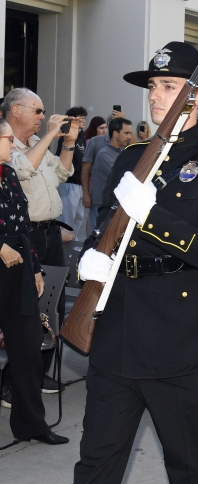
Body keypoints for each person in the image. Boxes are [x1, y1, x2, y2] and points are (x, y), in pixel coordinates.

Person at [56, 41, 198, 484]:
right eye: (152, 86)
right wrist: (93, 255)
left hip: (182, 338)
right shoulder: (131, 158)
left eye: (168, 86)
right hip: (118, 332)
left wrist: (153, 216)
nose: (156, 96)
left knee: (191, 473)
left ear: (196, 96)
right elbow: (106, 224)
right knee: (95, 463)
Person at [3, 87, 79, 395]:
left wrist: (69, 143)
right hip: (25, 236)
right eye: (37, 110)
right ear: (16, 110)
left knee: (52, 304)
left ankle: (39, 372)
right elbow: (22, 169)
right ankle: (12, 381)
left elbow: (61, 173)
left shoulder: (37, 142)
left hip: (50, 233)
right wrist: (49, 136)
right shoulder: (5, 144)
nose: (43, 116)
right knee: (24, 307)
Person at [0, 117, 68, 445]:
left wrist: (36, 268)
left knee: (28, 349)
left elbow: (23, 225)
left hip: (19, 271)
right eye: (7, 139)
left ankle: (32, 426)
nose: (12, 145)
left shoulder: (8, 174)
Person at [87, 118, 132, 231]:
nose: (129, 137)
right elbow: (124, 177)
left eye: (130, 133)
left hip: (113, 204)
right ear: (115, 133)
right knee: (97, 239)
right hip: (102, 205)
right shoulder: (104, 154)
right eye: (126, 133)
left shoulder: (123, 152)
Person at [56, 106, 88, 241]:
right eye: (80, 118)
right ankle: (64, 244)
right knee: (68, 217)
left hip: (80, 182)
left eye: (84, 118)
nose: (83, 120)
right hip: (69, 181)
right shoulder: (67, 136)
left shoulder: (82, 136)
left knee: (79, 216)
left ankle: (74, 243)